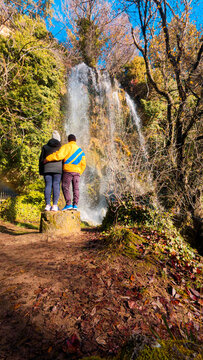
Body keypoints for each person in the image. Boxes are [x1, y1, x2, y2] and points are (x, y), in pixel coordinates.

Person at [44, 134, 86, 211]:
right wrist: (80, 172)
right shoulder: (80, 150)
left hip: (68, 171)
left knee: (65, 187)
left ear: (68, 140)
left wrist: (47, 158)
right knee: (76, 188)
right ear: (75, 140)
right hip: (77, 172)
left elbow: (59, 155)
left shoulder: (66, 147)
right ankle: (75, 205)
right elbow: (83, 164)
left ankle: (68, 204)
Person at [39, 131, 62, 211]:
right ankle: (55, 205)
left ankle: (48, 205)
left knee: (48, 185)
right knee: (56, 185)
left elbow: (41, 160)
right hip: (58, 170)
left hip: (47, 169)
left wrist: (41, 172)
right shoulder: (61, 148)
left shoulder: (45, 147)